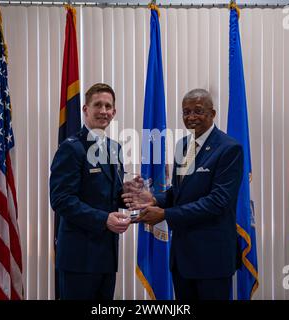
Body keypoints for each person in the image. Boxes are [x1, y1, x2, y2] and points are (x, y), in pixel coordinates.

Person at [124, 88, 244, 300]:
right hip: (182, 258)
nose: (191, 117)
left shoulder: (229, 149)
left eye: (198, 111)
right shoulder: (183, 145)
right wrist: (153, 199)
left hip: (212, 259)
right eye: (186, 112)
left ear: (213, 113)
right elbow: (180, 192)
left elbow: (217, 202)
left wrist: (165, 215)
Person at [50, 83, 131, 300]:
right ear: (86, 109)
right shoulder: (72, 147)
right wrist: (104, 219)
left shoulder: (115, 148)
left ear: (114, 112)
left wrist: (129, 193)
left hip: (107, 255)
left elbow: (106, 194)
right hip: (79, 257)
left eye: (108, 106)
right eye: (98, 105)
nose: (103, 111)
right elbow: (61, 199)